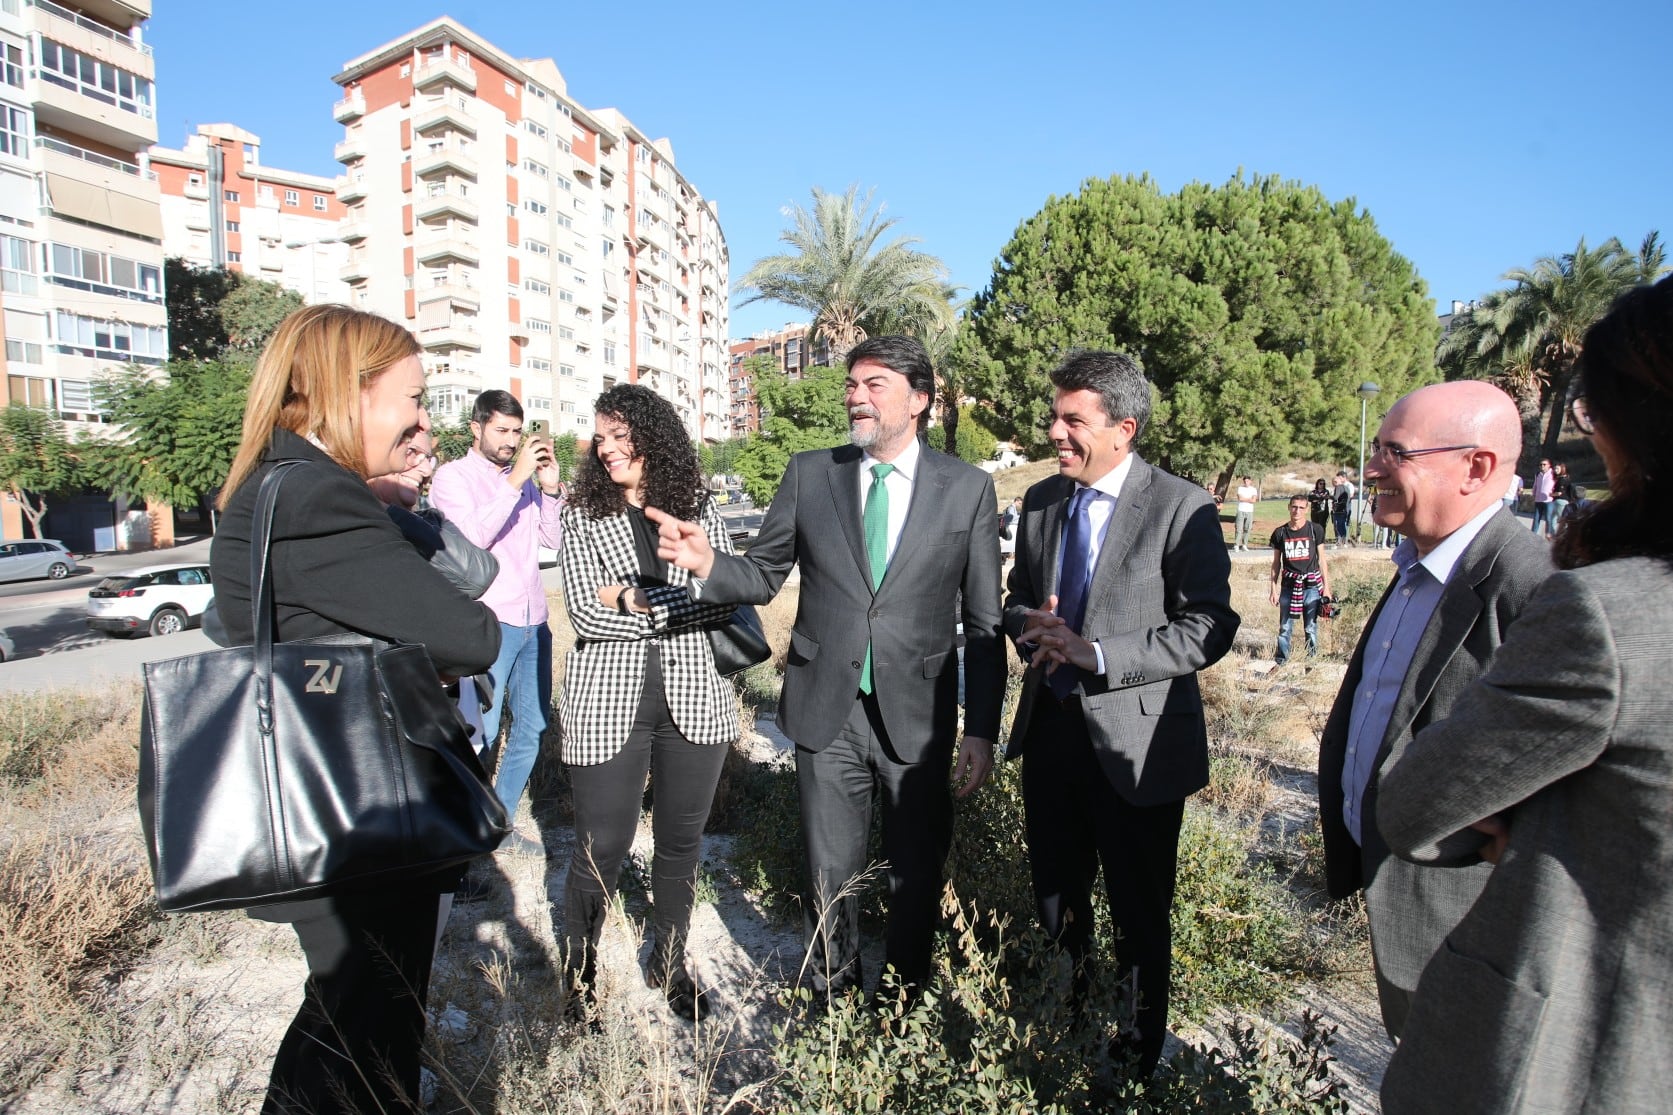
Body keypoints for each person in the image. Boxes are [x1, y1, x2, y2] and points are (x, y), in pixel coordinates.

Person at [1378, 275, 1673, 1115]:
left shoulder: (1601, 609)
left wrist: (1525, 823)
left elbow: (1414, 801)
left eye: (1593, 412)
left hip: (1588, 1048)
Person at [209, 305, 501, 1115]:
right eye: (410, 398)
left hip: (314, 803)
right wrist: (388, 513)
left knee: (340, 1024)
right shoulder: (322, 500)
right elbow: (470, 632)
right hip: (358, 816)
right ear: (351, 391)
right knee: (369, 1040)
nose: (420, 419)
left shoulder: (269, 486)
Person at [650, 336, 1004, 1001]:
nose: (856, 396)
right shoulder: (810, 473)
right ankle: (833, 1002)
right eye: (851, 384)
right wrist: (707, 564)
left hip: (919, 720)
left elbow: (985, 622)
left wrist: (980, 728)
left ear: (919, 400)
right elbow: (759, 574)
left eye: (874, 384)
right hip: (825, 711)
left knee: (915, 875)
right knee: (828, 874)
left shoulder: (967, 490)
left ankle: (903, 1008)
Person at [1005, 350, 1239, 1075]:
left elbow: (1208, 626)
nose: (1054, 432)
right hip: (1050, 737)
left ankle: (1135, 1057)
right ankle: (1065, 1028)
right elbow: (1016, 599)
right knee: (1055, 902)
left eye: (1072, 419)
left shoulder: (1180, 506)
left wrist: (1094, 654)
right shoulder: (1042, 502)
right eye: (1053, 416)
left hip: (1138, 749)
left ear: (1123, 428)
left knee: (1139, 916)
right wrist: (1029, 627)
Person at [1316, 380, 1550, 1040]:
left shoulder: (1532, 582)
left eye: (1395, 452)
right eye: (1374, 448)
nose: (1370, 469)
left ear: (1474, 467)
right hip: (1398, 896)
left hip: (1469, 919)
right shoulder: (1416, 560)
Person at [554, 385, 742, 1021]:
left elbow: (721, 600)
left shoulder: (697, 505)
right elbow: (582, 610)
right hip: (608, 703)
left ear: (651, 434)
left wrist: (630, 599)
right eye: (598, 437)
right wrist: (654, 604)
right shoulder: (581, 512)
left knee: (680, 842)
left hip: (696, 699)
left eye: (617, 434)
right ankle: (579, 978)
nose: (605, 448)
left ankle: (670, 961)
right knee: (600, 845)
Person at [429, 390, 564, 851]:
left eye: (516, 431)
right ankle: (463, 831)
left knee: (533, 727)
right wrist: (513, 485)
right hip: (487, 623)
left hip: (533, 618)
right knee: (479, 733)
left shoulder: (522, 478)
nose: (510, 441)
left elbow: (553, 539)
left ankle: (498, 823)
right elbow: (466, 543)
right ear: (476, 427)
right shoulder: (452, 479)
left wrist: (549, 490)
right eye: (501, 430)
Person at [1269, 494, 1331, 665]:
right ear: (1289, 507)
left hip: (1311, 587)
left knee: (1310, 627)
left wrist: (1327, 588)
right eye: (1294, 507)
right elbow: (1276, 564)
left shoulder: (1315, 530)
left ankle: (1310, 662)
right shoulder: (1280, 533)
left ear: (1307, 509)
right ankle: (1282, 661)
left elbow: (1322, 560)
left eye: (1301, 508)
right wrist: (1273, 590)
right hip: (1289, 587)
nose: (1297, 511)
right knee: (1285, 627)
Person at [1529, 457, 1557, 536]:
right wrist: (1534, 493)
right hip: (1538, 500)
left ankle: (1548, 535)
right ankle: (1533, 535)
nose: (1542, 466)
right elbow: (1535, 485)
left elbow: (1557, 484)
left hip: (1549, 500)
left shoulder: (1553, 474)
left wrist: (1554, 493)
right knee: (1536, 519)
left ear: (1549, 465)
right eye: (1540, 465)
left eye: (1544, 464)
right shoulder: (1538, 474)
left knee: (1548, 518)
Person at [1233, 476, 1258, 551]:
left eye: (1247, 481)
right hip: (1241, 510)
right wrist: (1249, 499)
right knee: (1239, 528)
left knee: (1248, 528)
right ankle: (1236, 545)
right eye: (1245, 481)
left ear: (1250, 481)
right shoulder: (1240, 488)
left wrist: (1245, 499)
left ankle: (1244, 545)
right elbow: (1240, 498)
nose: (1246, 482)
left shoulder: (1253, 489)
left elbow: (1254, 500)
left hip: (1249, 511)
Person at [1331, 471, 1355, 546]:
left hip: (1340, 509)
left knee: (1340, 524)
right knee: (1341, 524)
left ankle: (1340, 540)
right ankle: (1343, 541)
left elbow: (1335, 497)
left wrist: (1329, 497)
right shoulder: (1345, 487)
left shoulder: (1340, 487)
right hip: (1344, 508)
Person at [1549, 461, 1573, 527]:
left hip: (1560, 501)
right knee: (1552, 520)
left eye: (1557, 469)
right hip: (1560, 501)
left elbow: (1559, 493)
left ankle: (1565, 535)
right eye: (1554, 469)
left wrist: (1551, 494)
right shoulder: (1565, 478)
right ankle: (1552, 535)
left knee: (1562, 521)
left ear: (1562, 469)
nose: (1555, 470)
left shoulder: (1562, 480)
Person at [1000, 495, 1022, 563]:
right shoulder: (1011, 508)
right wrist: (1020, 517)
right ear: (1016, 501)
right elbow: (1012, 518)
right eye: (1020, 503)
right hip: (1010, 528)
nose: (1020, 505)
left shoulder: (1013, 508)